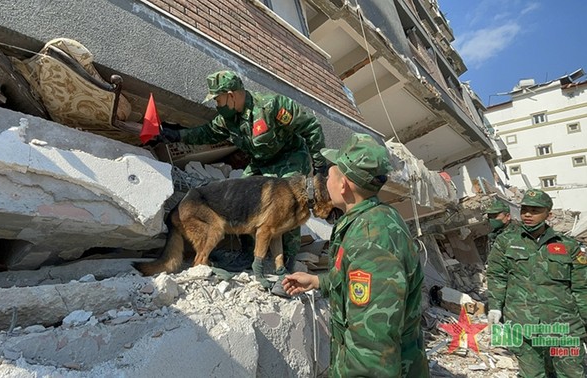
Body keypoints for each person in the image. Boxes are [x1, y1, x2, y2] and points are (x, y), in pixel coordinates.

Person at [152, 70, 327, 278]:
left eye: (218, 99)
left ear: (231, 95)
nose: (217, 104)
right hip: (260, 163)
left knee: (289, 205)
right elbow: (205, 133)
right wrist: (173, 135)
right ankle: (249, 254)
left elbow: (311, 126)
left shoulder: (271, 106)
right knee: (242, 200)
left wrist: (320, 163)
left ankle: (286, 260)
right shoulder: (228, 120)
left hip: (287, 159)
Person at [281, 133, 429, 377]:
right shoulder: (369, 218)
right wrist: (319, 282)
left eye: (330, 172)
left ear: (343, 185)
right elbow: (355, 280)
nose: (324, 178)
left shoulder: (371, 240)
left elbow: (373, 348)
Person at [487, 189, 587, 377]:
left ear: (548, 214)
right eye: (524, 209)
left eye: (535, 210)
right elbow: (496, 275)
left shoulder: (568, 246)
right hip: (523, 326)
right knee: (532, 375)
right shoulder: (506, 242)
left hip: (564, 328)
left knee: (571, 373)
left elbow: (582, 288)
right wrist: (495, 307)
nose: (527, 214)